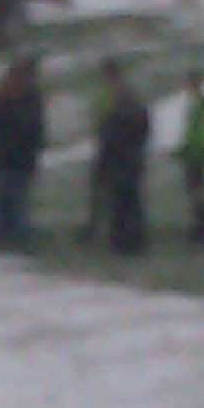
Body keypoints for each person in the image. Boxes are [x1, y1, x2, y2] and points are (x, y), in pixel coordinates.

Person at [0, 54, 46, 250]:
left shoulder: (30, 102)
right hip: (4, 159)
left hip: (20, 160)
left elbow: (35, 131)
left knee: (16, 199)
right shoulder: (3, 102)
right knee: (2, 198)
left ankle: (16, 235)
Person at [96, 60, 153, 257]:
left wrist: (103, 165)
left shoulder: (115, 118)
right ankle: (134, 239)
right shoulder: (139, 115)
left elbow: (109, 142)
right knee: (132, 202)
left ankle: (122, 241)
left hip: (120, 165)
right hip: (133, 163)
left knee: (121, 204)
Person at [75, 55, 118, 243]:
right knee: (101, 188)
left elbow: (106, 119)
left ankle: (99, 225)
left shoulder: (114, 94)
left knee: (104, 188)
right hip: (106, 145)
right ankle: (98, 224)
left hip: (110, 147)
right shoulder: (108, 93)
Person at [177, 66, 204, 245]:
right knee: (195, 188)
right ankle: (201, 222)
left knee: (195, 188)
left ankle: (201, 224)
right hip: (196, 150)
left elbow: (196, 132)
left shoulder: (199, 104)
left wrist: (188, 148)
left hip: (196, 153)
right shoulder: (199, 104)